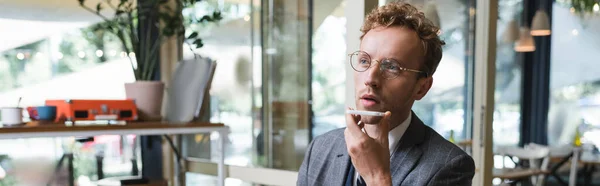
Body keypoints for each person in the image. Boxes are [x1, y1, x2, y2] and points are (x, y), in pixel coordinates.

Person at [297, 2, 475, 186]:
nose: (370, 78)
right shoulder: (320, 148)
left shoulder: (450, 166)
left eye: (391, 67)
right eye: (364, 61)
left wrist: (377, 177)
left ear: (421, 88)